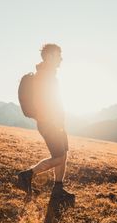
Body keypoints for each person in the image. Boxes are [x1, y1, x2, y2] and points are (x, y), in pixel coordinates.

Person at [18, 43, 75, 205]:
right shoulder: (44, 76)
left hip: (56, 122)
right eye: (59, 55)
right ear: (50, 56)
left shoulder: (48, 74)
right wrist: (51, 119)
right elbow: (46, 102)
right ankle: (26, 175)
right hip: (49, 123)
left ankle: (58, 189)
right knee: (58, 157)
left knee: (63, 155)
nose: (61, 59)